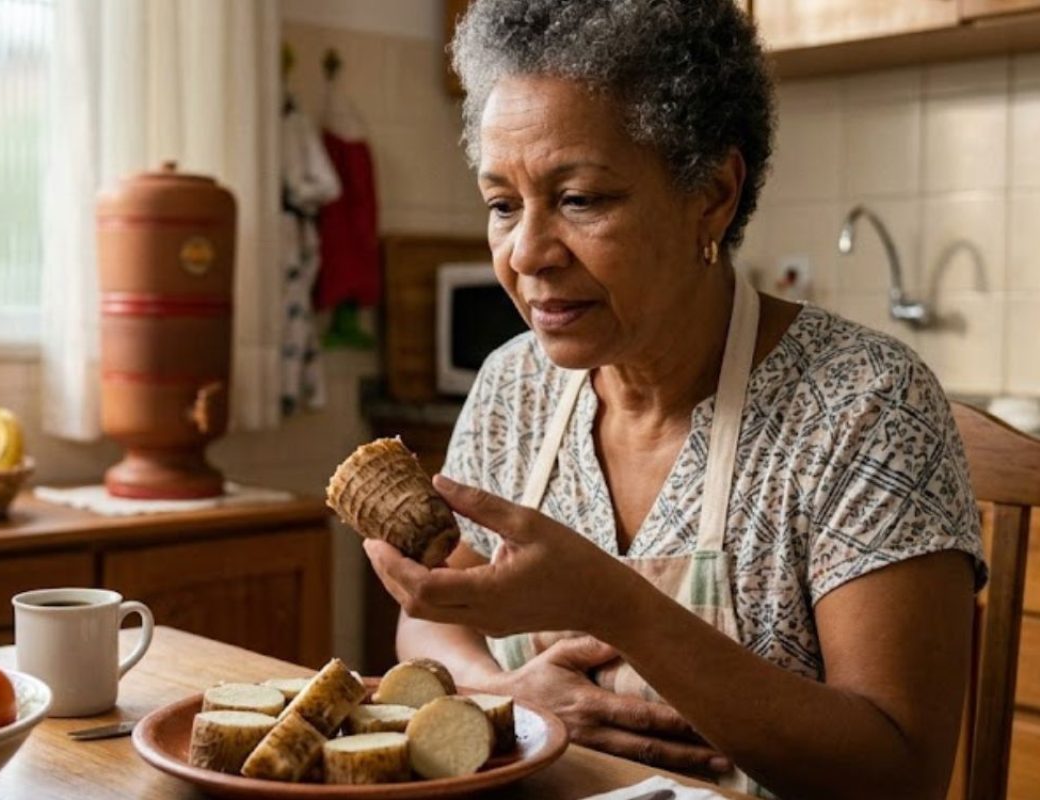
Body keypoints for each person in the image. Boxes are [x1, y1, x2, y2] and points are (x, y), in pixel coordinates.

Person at [362, 1, 987, 798]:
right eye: (502, 204)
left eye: (581, 199)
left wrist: (614, 604)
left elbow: (898, 776)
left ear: (713, 195)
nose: (526, 253)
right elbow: (435, 617)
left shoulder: (865, 407)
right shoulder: (513, 386)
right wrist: (502, 701)